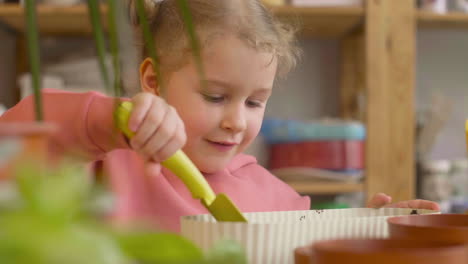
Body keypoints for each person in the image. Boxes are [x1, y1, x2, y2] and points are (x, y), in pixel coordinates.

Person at [0, 0, 438, 232]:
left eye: (254, 102)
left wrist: (375, 226)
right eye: (214, 96)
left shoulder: (276, 198)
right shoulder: (107, 164)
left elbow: (314, 246)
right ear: (152, 81)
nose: (236, 122)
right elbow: (13, 142)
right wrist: (110, 120)